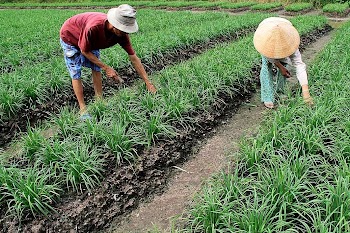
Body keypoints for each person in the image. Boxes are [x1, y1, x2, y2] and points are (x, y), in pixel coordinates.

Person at [60, 4, 156, 120]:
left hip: (91, 41)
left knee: (96, 67)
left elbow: (134, 58)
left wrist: (148, 83)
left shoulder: (122, 35)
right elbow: (84, 50)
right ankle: (82, 108)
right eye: (123, 30)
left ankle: (99, 100)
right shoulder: (94, 27)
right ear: (115, 25)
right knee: (76, 71)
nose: (126, 33)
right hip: (70, 36)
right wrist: (107, 68)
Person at [253, 17, 313, 109]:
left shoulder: (291, 43)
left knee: (284, 65)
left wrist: (306, 92)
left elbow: (299, 65)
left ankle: (280, 92)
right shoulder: (265, 43)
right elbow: (271, 59)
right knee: (266, 66)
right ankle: (267, 97)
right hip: (266, 34)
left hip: (284, 30)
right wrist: (280, 67)